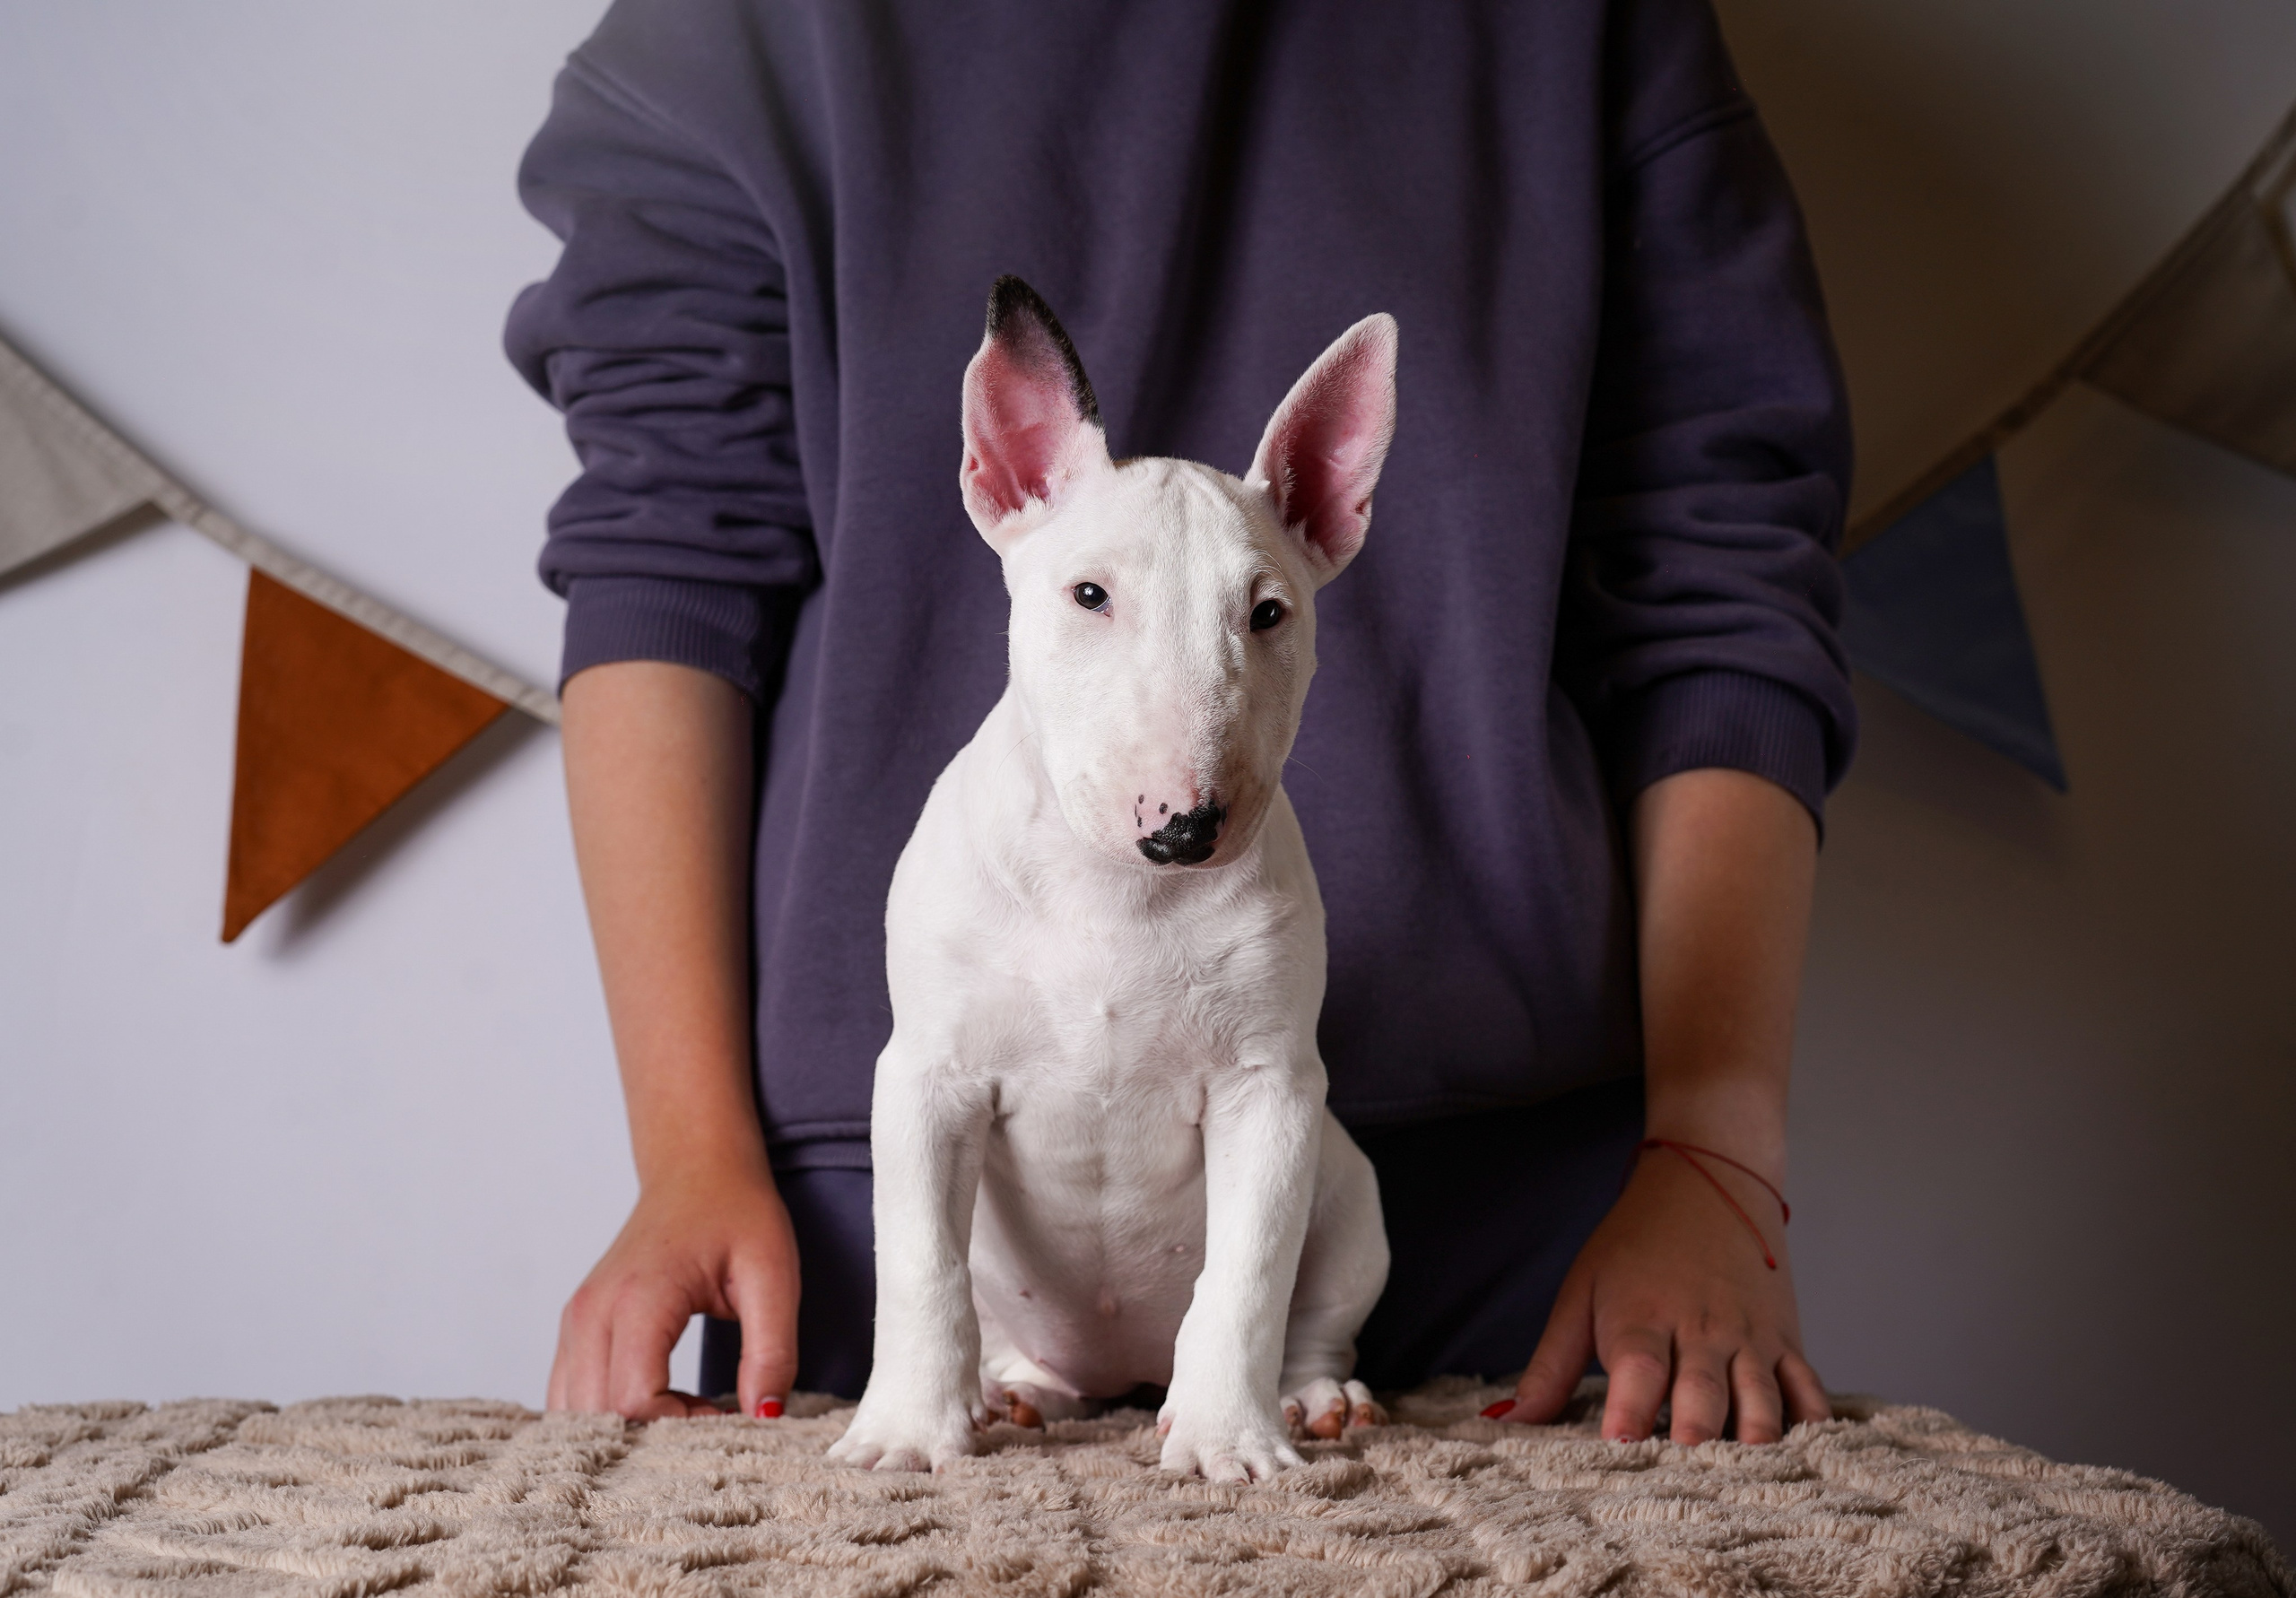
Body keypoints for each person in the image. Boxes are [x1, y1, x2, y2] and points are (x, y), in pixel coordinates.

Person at [505, 0, 1855, 1447]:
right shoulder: (750, 29)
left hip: (1533, 1229)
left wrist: (1711, 1151)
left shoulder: (1584, 29)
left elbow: (1721, 552)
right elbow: (671, 557)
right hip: (880, 1233)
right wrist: (686, 1146)